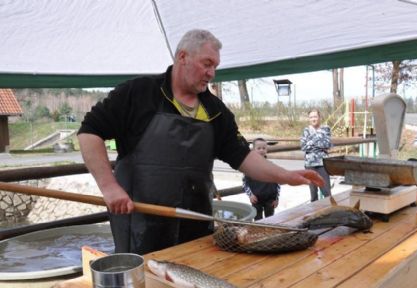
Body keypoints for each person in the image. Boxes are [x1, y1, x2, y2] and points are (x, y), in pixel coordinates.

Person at [77, 29, 323, 255]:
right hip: (140, 225)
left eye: (215, 66)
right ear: (182, 57)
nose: (212, 73)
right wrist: (109, 187)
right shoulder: (138, 93)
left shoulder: (215, 110)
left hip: (195, 223)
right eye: (207, 64)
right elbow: (89, 132)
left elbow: (242, 157)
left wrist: (286, 176)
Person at [243, 138, 280, 220]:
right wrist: (250, 195)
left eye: (264, 148)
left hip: (270, 199)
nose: (261, 150)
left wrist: (276, 198)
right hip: (256, 199)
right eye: (259, 148)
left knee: (270, 219)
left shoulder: (271, 166)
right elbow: (245, 183)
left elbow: (277, 183)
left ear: (266, 150)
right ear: (253, 150)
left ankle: (269, 232)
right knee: (258, 220)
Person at [300, 108, 332, 202]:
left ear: (319, 117)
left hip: (323, 164)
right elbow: (303, 147)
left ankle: (329, 213)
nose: (313, 119)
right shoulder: (306, 130)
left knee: (326, 192)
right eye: (311, 117)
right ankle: (315, 214)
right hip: (310, 165)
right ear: (309, 119)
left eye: (315, 116)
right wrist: (319, 137)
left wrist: (311, 141)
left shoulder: (326, 129)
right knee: (313, 193)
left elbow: (327, 145)